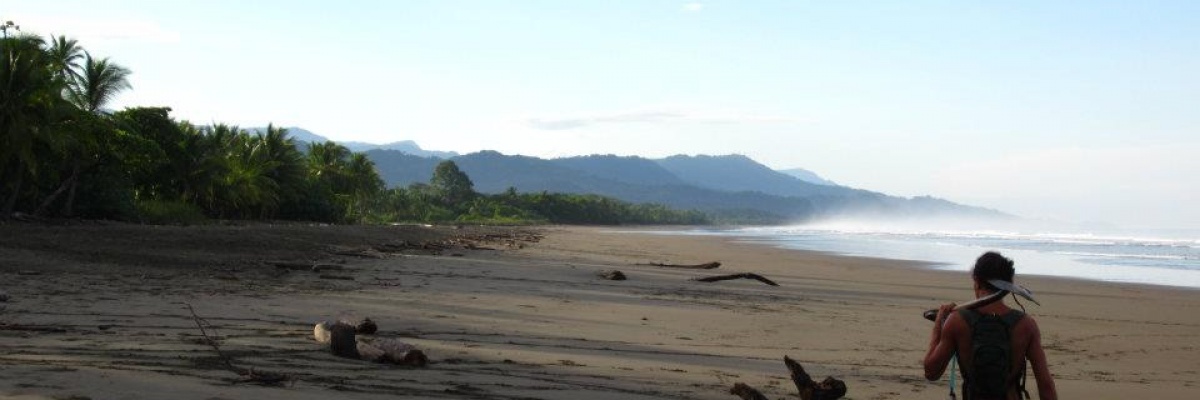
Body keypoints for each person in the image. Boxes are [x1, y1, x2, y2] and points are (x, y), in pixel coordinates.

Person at [923, 252, 1057, 400]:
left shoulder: (957, 321)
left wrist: (938, 326)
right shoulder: (1026, 325)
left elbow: (931, 372)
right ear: (1009, 286)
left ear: (976, 280)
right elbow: (1045, 385)